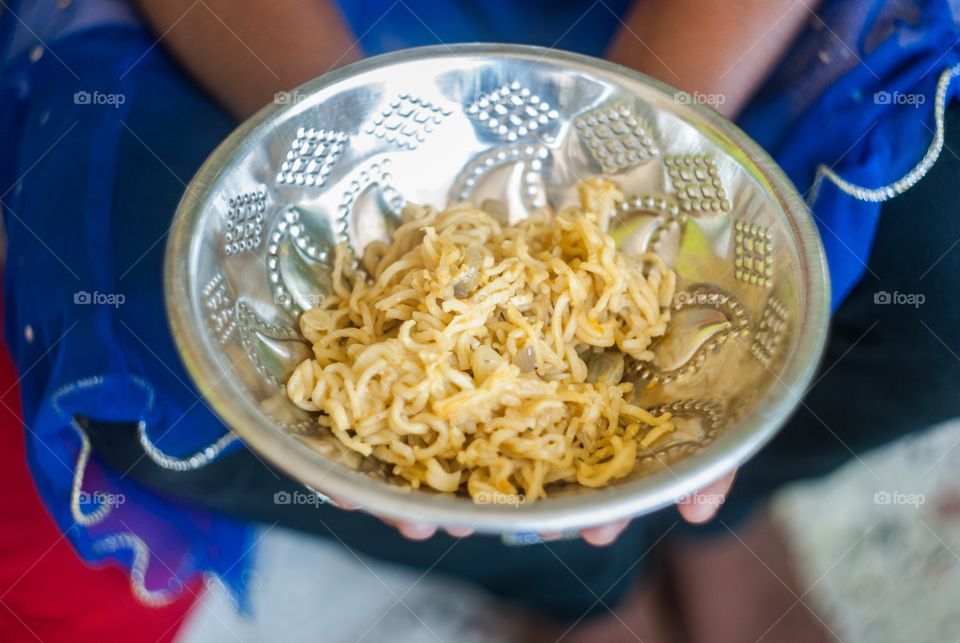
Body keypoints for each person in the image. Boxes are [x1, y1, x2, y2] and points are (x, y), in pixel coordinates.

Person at [2, 0, 959, 639]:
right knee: (126, 328)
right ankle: (584, 586)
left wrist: (639, 140)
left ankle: (724, 512)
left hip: (698, 21)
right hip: (285, 32)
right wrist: (346, 143)